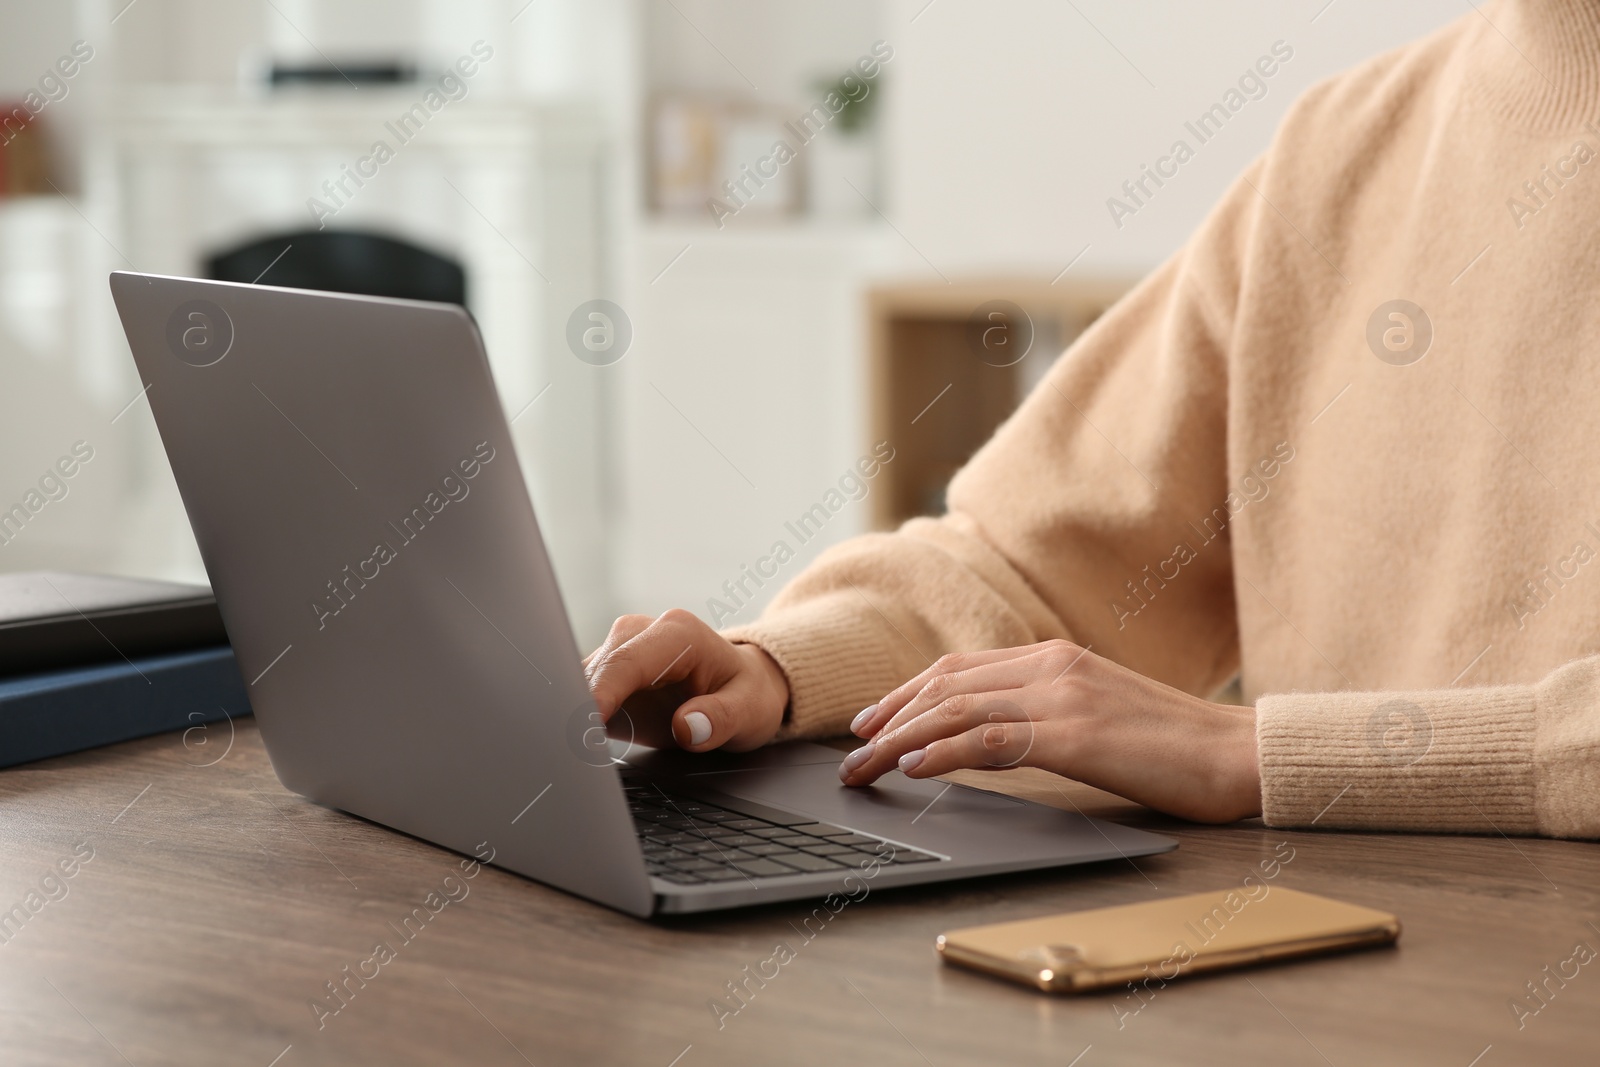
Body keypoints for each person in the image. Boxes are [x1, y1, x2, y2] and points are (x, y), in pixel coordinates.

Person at [586, 0, 1600, 838]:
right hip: (1331, 968)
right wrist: (780, 671)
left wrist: (1247, 752)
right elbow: (1030, 570)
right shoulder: (1338, 149)